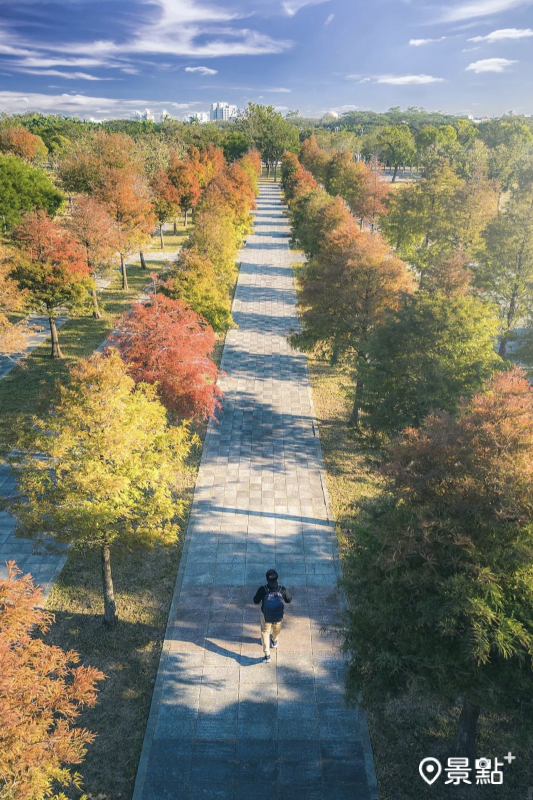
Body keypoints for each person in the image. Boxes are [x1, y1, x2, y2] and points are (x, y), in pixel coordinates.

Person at [253, 569, 292, 663]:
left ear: (267, 579)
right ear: (277, 579)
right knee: (276, 629)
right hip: (278, 615)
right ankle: (274, 640)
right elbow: (289, 600)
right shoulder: (282, 589)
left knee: (265, 633)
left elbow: (256, 601)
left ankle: (267, 655)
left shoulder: (263, 589)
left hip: (266, 616)